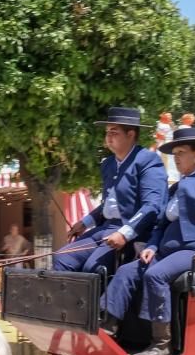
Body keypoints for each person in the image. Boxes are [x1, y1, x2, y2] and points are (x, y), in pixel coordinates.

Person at [101, 127, 195, 355]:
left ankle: (162, 344)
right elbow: (161, 224)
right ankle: (107, 331)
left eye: (181, 152)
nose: (177, 158)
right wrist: (152, 246)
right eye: (175, 153)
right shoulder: (175, 188)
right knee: (126, 271)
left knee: (155, 275)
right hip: (168, 252)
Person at [53, 107, 167, 274]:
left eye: (114, 131)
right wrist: (85, 223)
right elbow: (109, 203)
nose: (108, 136)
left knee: (93, 268)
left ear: (131, 135)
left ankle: (101, 301)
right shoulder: (108, 164)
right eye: (107, 132)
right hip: (105, 228)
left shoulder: (148, 161)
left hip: (132, 232)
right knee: (61, 258)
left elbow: (152, 206)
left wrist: (124, 234)